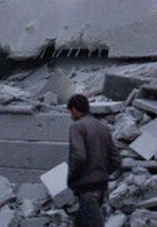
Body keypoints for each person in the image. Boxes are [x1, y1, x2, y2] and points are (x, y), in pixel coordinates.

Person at [66, 94, 121, 227]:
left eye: (70, 111)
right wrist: (101, 172)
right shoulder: (102, 127)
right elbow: (116, 160)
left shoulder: (77, 126)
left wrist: (71, 177)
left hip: (86, 187)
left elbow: (79, 157)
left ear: (74, 109)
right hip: (101, 187)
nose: (70, 115)